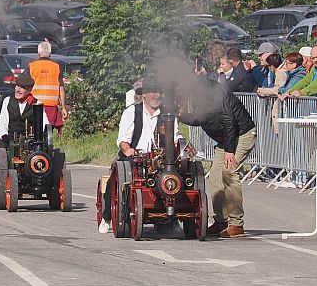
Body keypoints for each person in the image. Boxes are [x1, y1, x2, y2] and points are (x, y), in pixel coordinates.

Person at [99, 77, 185, 233]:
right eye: (152, 92)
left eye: (158, 92)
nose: (156, 95)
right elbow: (123, 140)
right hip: (136, 157)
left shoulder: (167, 113)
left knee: (180, 175)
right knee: (117, 177)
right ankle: (107, 217)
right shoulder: (131, 111)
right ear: (144, 94)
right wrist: (128, 150)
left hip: (161, 158)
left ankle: (172, 220)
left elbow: (175, 135)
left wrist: (179, 145)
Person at [180, 72, 256, 238]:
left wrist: (229, 151)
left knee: (229, 172)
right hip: (226, 138)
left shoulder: (213, 91)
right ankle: (221, 220)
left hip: (241, 134)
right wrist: (181, 116)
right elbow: (200, 119)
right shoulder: (197, 94)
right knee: (215, 177)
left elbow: (229, 120)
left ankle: (236, 224)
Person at [0, 73, 50, 140]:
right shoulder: (7, 100)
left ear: (29, 90)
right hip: (9, 139)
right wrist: (4, 136)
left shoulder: (37, 104)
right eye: (17, 86)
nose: (17, 90)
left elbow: (44, 124)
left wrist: (38, 138)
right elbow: (3, 123)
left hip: (30, 140)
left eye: (22, 87)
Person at [28, 41, 67, 129]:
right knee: (49, 131)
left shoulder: (32, 66)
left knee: (36, 130)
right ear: (50, 54)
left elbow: (25, 86)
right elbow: (61, 89)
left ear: (38, 54)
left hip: (36, 105)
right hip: (51, 106)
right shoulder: (56, 67)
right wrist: (63, 108)